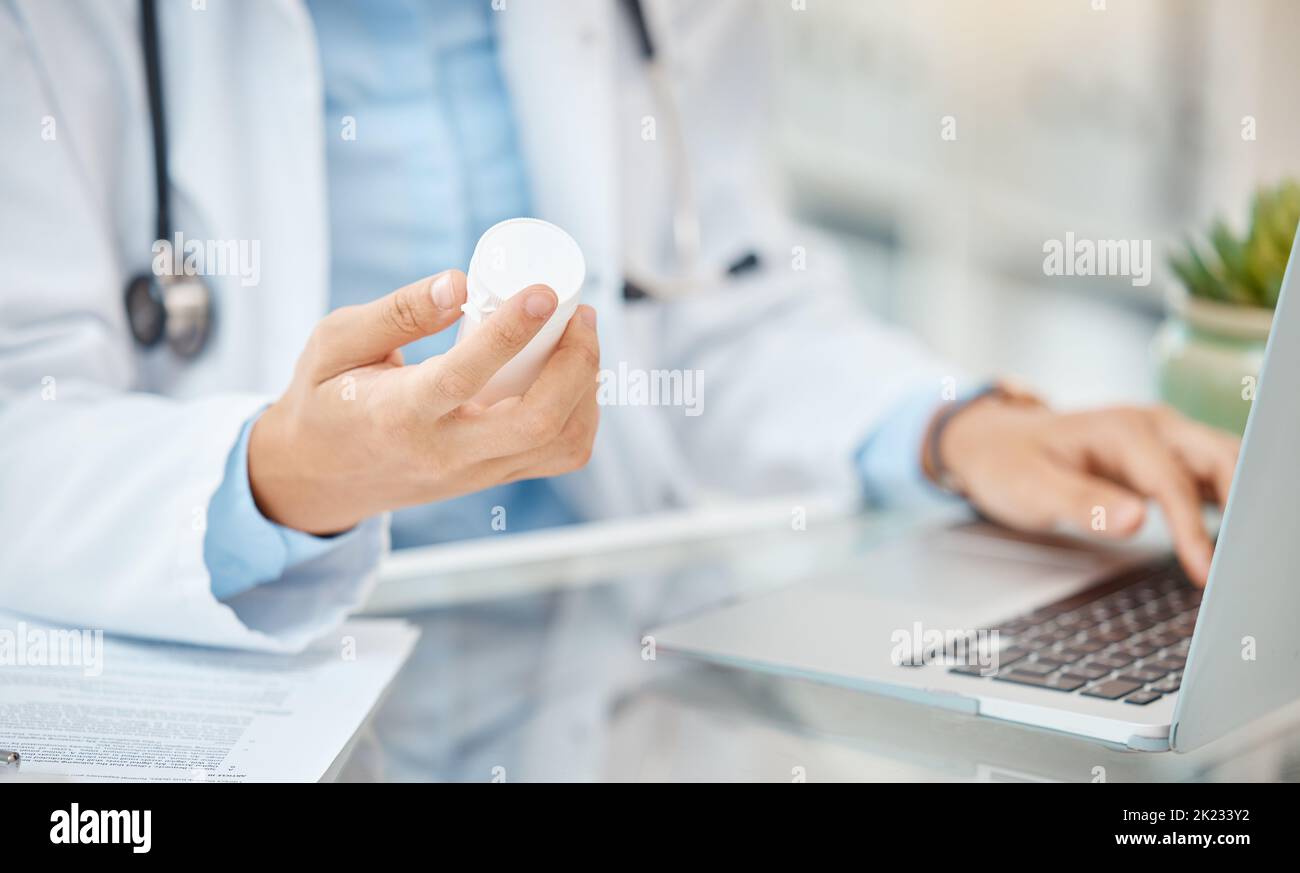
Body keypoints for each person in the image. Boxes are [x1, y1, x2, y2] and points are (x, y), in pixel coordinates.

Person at [0, 1, 1238, 776]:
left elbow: (708, 313)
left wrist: (960, 427)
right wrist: (278, 480)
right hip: (261, 679)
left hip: (610, 684)